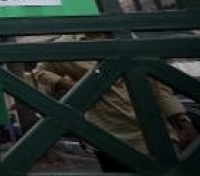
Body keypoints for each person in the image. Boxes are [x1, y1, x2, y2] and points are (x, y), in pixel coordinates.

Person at [32, 33, 197, 172]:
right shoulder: (67, 44)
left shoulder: (128, 37)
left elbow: (157, 84)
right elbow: (40, 71)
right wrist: (72, 86)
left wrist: (180, 119)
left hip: (156, 130)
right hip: (110, 135)